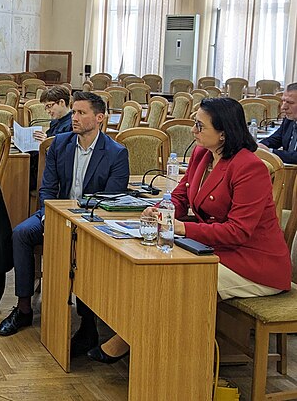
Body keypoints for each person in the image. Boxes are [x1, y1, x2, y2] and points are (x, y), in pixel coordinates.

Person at [90, 97, 292, 363]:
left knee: (180, 282)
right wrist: (163, 209)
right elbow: (182, 194)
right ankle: (148, 344)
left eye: (200, 126)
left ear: (223, 133)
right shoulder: (202, 154)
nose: (193, 131)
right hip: (215, 247)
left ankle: (149, 350)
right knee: (151, 269)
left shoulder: (249, 167)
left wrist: (183, 227)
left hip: (253, 262)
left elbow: (238, 232)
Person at [0, 91, 129, 356]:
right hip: (55, 213)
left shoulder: (116, 153)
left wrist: (78, 222)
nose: (75, 118)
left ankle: (88, 324)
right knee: (21, 234)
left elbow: (110, 201)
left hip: (91, 221)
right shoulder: (60, 144)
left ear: (99, 118)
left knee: (87, 247)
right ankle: (23, 308)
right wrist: (49, 217)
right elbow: (47, 189)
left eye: (82, 113)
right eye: (75, 112)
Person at [259, 82, 297, 164]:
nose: (283, 107)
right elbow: (275, 139)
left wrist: (270, 152)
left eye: (290, 103)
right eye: (283, 101)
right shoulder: (289, 120)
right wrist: (257, 147)